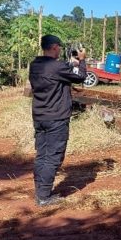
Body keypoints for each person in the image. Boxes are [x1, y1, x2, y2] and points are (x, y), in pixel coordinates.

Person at [29, 34, 87, 206]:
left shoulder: (35, 65)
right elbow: (81, 76)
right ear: (54, 47)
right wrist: (82, 60)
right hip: (56, 118)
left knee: (42, 155)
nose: (60, 50)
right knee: (53, 157)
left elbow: (59, 70)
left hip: (40, 117)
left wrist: (71, 63)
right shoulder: (57, 67)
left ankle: (40, 191)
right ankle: (44, 197)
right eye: (59, 47)